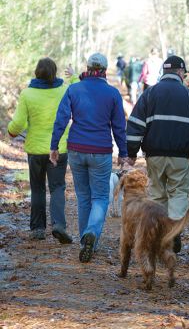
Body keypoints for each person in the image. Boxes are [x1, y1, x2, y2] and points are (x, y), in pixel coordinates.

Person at [50, 53, 128, 263]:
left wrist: (54, 145)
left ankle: (87, 237)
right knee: (100, 197)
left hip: (76, 149)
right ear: (104, 70)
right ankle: (91, 234)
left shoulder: (74, 89)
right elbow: (119, 126)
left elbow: (61, 118)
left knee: (84, 197)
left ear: (88, 67)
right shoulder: (112, 93)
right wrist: (123, 152)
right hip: (101, 151)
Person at [126, 55, 189, 253]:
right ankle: (173, 230)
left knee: (157, 194)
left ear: (164, 72)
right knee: (179, 193)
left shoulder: (150, 94)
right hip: (180, 157)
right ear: (180, 72)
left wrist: (131, 152)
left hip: (154, 156)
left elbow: (136, 125)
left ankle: (158, 231)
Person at [7, 58, 72, 244]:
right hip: (58, 148)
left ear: (37, 72)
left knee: (37, 188)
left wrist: (11, 130)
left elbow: (18, 124)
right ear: (54, 72)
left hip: (35, 150)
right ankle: (59, 224)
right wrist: (74, 75)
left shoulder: (27, 93)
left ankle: (37, 229)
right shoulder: (64, 90)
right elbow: (78, 90)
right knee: (58, 187)